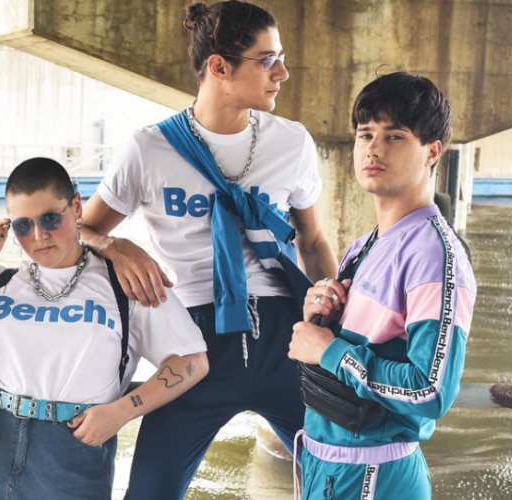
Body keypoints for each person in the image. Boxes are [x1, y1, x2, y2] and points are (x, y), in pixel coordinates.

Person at [80, 2, 338, 498]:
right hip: (193, 346)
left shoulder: (292, 142)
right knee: (149, 492)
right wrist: (115, 244)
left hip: (286, 339)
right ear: (219, 67)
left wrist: (331, 327)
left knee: (342, 480)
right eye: (268, 60)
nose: (282, 73)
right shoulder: (149, 149)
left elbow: (313, 240)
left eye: (281, 58)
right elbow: (80, 230)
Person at [0, 157, 209, 500]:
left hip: (73, 451)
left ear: (76, 207)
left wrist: (122, 412)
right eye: (23, 226)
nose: (39, 236)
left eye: (50, 219)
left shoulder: (125, 283)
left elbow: (192, 361)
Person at [289, 72, 476, 499]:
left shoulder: (434, 254)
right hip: (325, 463)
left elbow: (431, 390)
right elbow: (360, 344)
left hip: (374, 474)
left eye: (394, 136)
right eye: (365, 134)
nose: (373, 148)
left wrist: (330, 351)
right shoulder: (366, 243)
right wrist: (321, 315)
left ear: (432, 151)